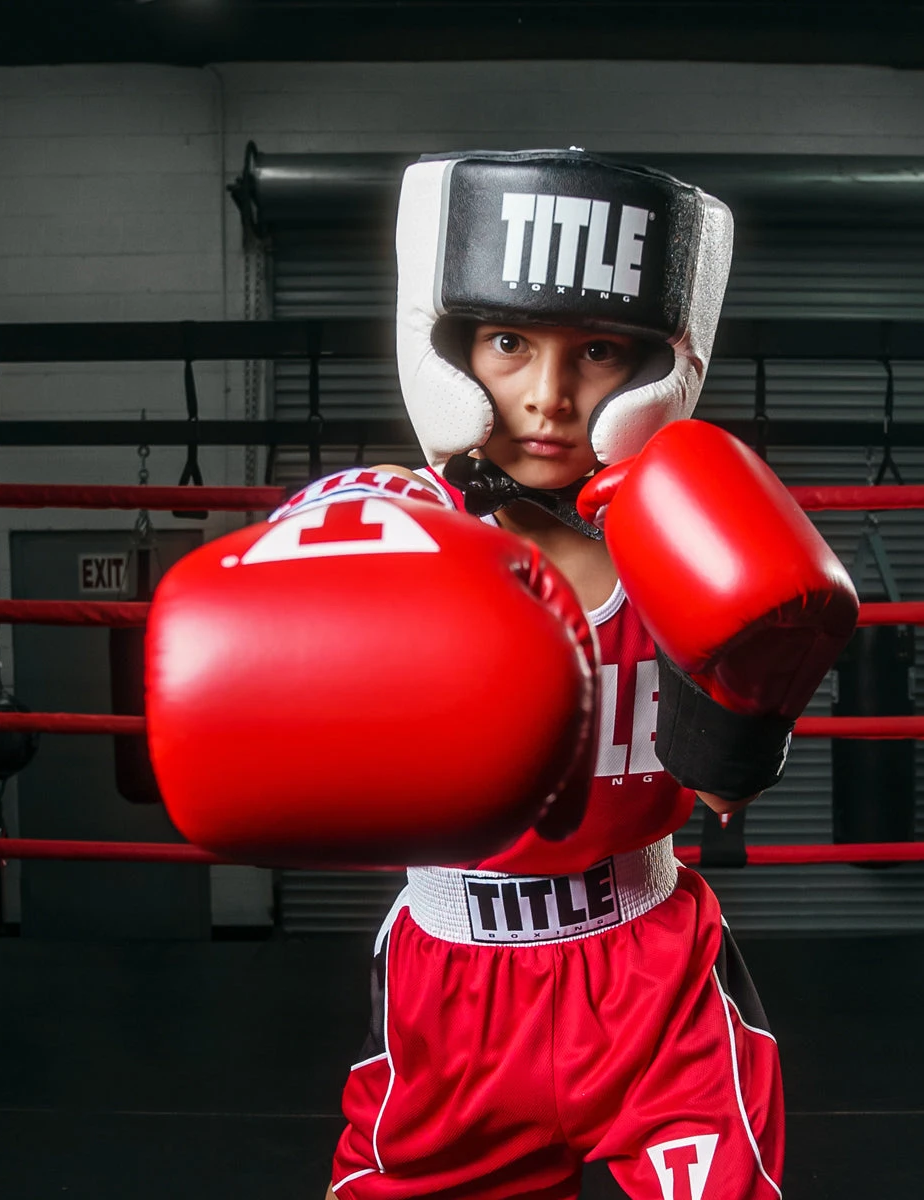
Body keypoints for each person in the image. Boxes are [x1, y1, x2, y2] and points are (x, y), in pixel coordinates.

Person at [316, 150, 859, 1199]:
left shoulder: (687, 537)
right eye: (510, 343)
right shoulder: (389, 526)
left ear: (655, 363)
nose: (549, 397)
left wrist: (757, 672)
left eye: (598, 350)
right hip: (454, 991)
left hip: (648, 973)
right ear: (452, 347)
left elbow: (723, 798)